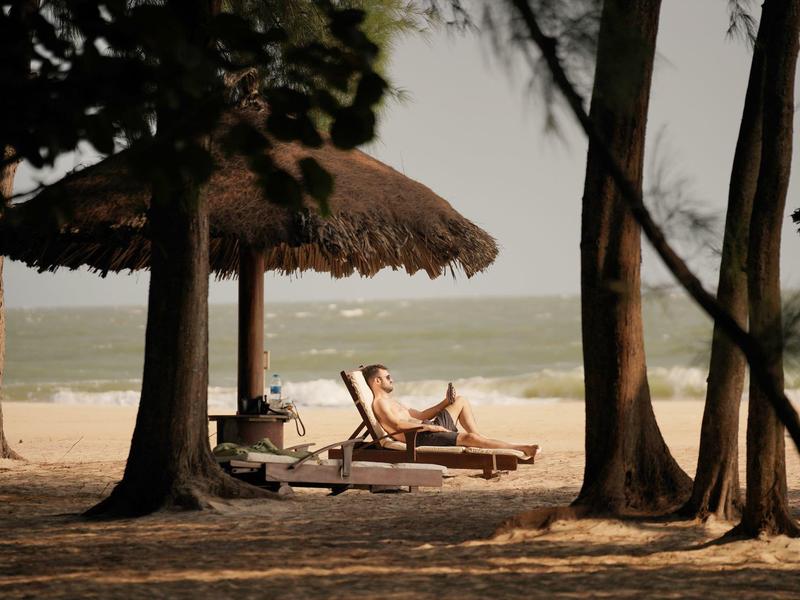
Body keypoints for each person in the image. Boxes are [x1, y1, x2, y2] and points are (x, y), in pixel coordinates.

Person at [362, 364, 540, 459]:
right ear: (377, 381)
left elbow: (421, 415)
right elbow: (397, 426)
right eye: (387, 377)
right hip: (419, 437)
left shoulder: (391, 401)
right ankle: (521, 448)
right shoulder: (380, 404)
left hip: (427, 428)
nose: (391, 379)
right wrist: (431, 429)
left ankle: (479, 440)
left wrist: (445, 402)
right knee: (469, 438)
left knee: (460, 400)